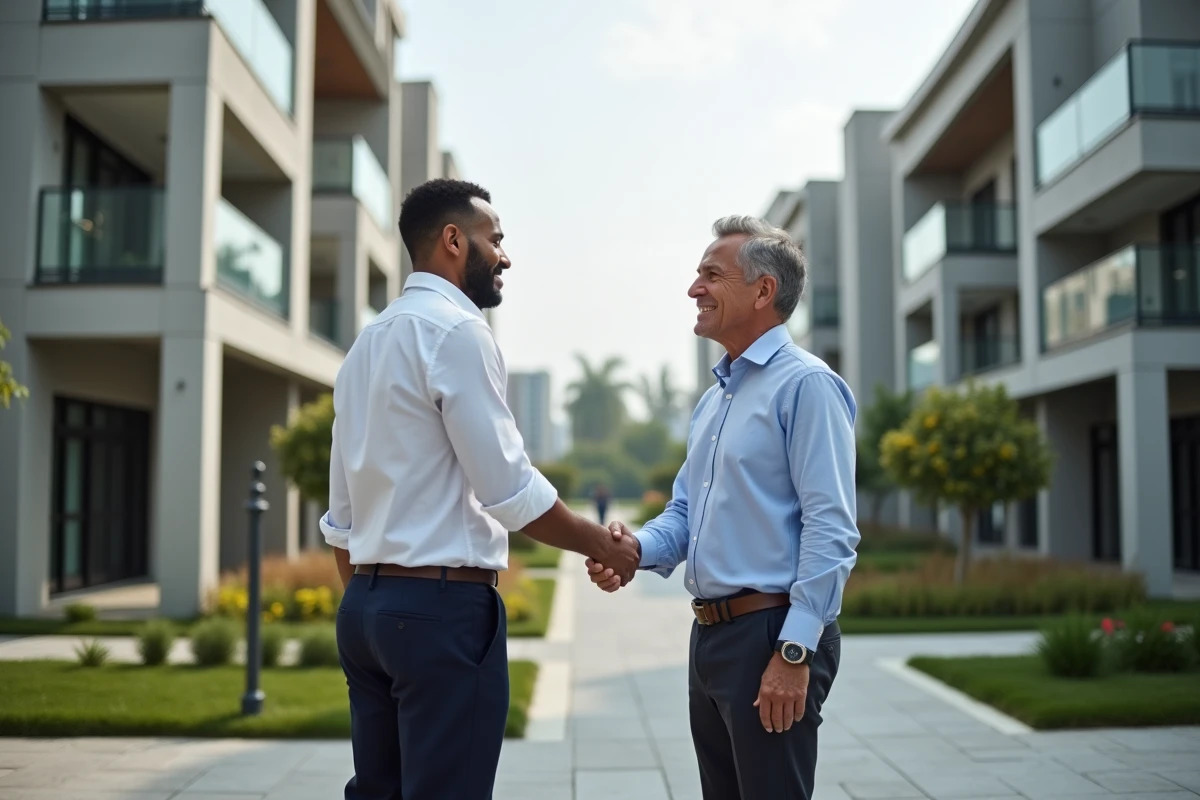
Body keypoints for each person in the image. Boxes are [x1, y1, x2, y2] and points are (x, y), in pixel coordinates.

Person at [321, 178, 640, 800]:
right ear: (452, 240)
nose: (504, 257)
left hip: (364, 613)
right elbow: (509, 489)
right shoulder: (458, 333)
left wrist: (372, 603)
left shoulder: (365, 345)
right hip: (440, 613)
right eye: (495, 240)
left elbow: (341, 517)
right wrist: (603, 545)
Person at [586, 215, 859, 800]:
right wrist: (634, 548)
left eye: (712, 275)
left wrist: (794, 651)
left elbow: (831, 527)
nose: (695, 289)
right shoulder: (715, 400)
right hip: (711, 637)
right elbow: (686, 511)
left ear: (763, 291)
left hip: (772, 635)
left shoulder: (806, 386)